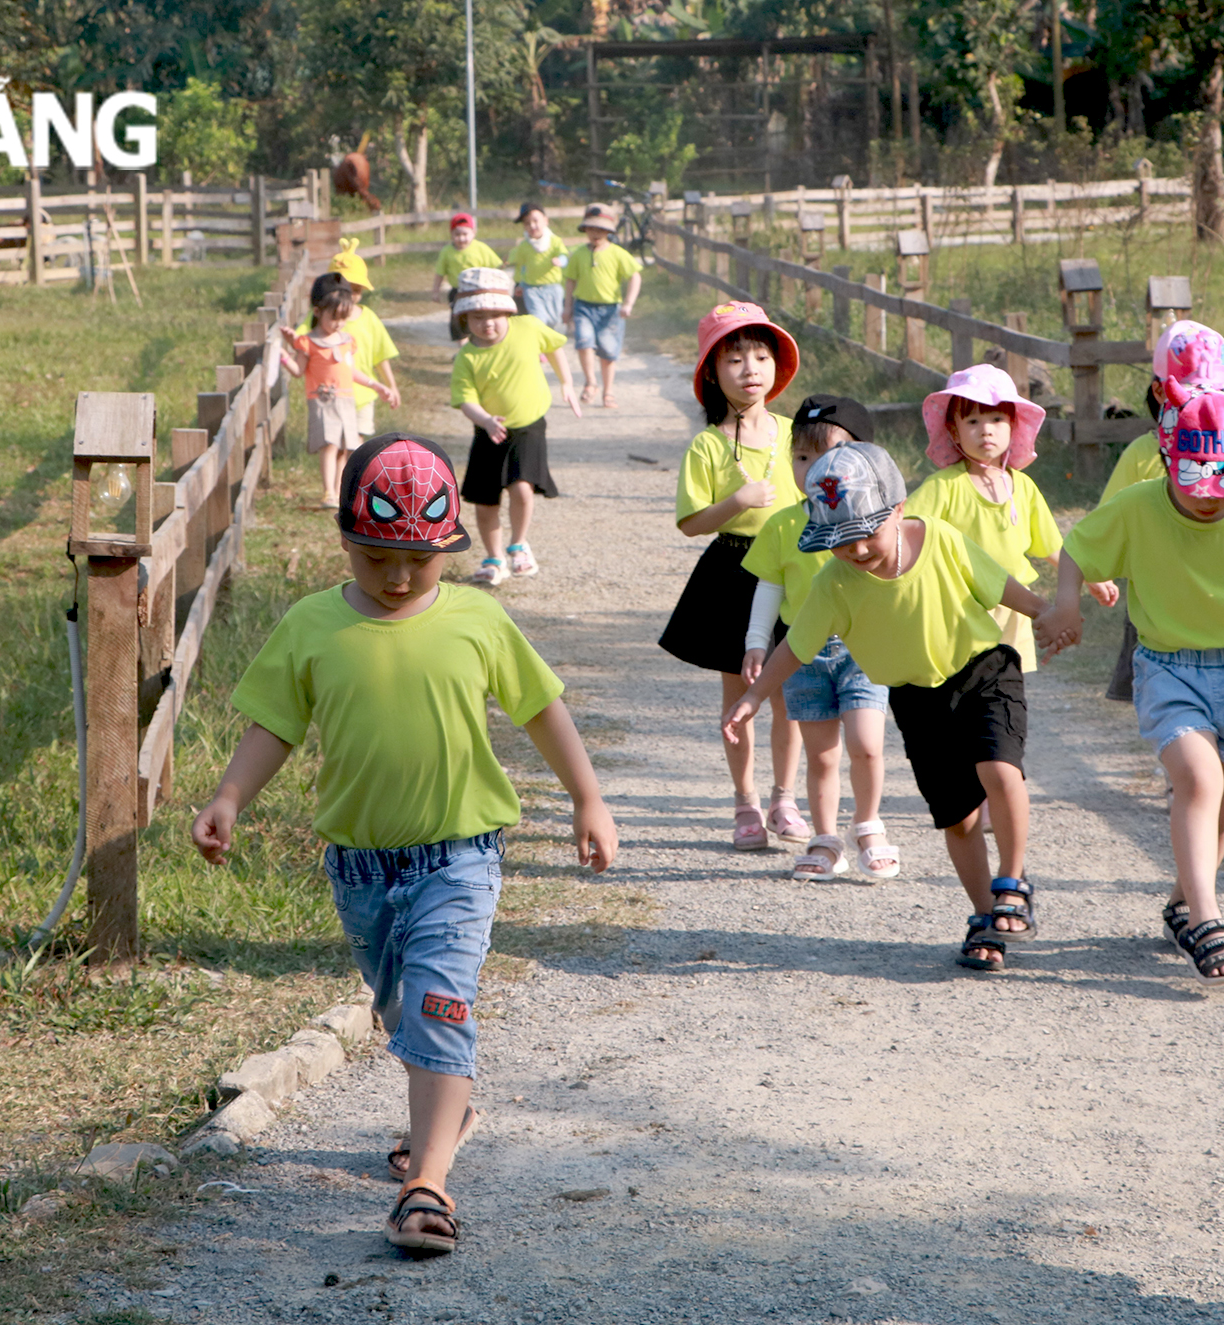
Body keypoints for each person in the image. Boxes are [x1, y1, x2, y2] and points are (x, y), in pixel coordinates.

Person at [191, 434, 618, 1258]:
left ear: (448, 549)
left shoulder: (477, 618)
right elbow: (274, 725)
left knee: (437, 1001)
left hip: (458, 856)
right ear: (346, 541)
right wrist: (228, 796)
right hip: (359, 867)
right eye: (377, 557)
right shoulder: (312, 623)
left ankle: (428, 1185)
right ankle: (445, 1111)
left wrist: (588, 798)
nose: (396, 578)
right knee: (400, 1008)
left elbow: (542, 711)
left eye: (417, 563)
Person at [1037, 376, 1224, 987]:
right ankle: (1210, 921)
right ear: (1167, 459)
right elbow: (1078, 550)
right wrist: (1066, 604)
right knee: (1199, 779)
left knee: (1221, 802)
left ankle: (1183, 905)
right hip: (1169, 667)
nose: (1210, 499)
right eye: (1195, 481)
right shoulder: (1139, 505)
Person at [729, 441, 1051, 970]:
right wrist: (754, 696)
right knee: (960, 818)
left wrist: (1046, 614)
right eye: (839, 541)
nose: (855, 551)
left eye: (865, 533)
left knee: (1000, 769)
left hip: (983, 670)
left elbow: (1001, 584)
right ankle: (984, 916)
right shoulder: (834, 582)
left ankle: (1012, 883)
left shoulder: (941, 538)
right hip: (916, 699)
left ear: (898, 510)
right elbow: (797, 645)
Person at [659, 301, 810, 851]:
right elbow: (691, 523)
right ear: (712, 373)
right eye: (735, 359)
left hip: (792, 574)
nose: (750, 368)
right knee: (740, 695)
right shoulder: (708, 444)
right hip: (732, 572)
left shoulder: (798, 434)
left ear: (777, 367)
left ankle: (785, 799)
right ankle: (745, 803)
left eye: (761, 356)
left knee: (791, 696)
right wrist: (736, 500)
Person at [740, 395, 897, 883]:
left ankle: (868, 825)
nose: (812, 470)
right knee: (822, 755)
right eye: (802, 458)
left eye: (826, 458)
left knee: (867, 745)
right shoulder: (785, 524)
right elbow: (771, 585)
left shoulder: (878, 520)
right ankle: (826, 838)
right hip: (802, 654)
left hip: (863, 649)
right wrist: (756, 642)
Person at [1097, 320, 1224, 702]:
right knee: (1156, 695)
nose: (1200, 403)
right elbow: (1107, 521)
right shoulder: (1142, 453)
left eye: (1213, 393)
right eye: (1189, 392)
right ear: (1159, 390)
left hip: (1219, 597)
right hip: (1154, 604)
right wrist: (1096, 572)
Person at [905, 363, 1063, 673]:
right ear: (954, 430)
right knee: (965, 683)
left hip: (1014, 607)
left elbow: (1050, 545)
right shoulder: (944, 486)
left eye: (996, 419)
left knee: (1008, 683)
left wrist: (1090, 577)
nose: (986, 429)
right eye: (973, 421)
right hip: (961, 608)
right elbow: (905, 532)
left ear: (1013, 425)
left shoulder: (1024, 487)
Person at [448, 267, 582, 586]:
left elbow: (554, 346)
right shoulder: (467, 356)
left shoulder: (529, 327)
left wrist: (567, 383)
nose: (488, 323)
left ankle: (518, 545)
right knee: (485, 501)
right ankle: (494, 558)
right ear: (465, 319)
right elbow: (465, 398)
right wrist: (484, 419)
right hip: (489, 431)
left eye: (495, 314)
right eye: (478, 316)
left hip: (529, 426)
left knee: (522, 487)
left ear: (508, 310)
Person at [279, 280, 397, 509]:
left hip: (346, 400)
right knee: (329, 444)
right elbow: (298, 371)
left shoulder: (345, 341)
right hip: (322, 401)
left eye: (343, 318)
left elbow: (350, 371)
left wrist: (376, 385)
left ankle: (339, 490)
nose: (338, 324)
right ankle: (328, 492)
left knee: (345, 446)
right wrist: (283, 355)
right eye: (333, 318)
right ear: (317, 312)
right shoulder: (308, 342)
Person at [293, 252, 402, 442]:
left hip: (363, 396)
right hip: (331, 397)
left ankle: (351, 472)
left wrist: (391, 385)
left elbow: (380, 356)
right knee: (336, 444)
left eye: (356, 290)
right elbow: (300, 339)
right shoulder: (318, 320)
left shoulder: (368, 318)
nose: (350, 296)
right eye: (345, 290)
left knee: (355, 443)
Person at [562, 203, 643, 408]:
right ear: (585, 230)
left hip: (610, 311)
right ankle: (591, 382)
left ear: (609, 231)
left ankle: (608, 391)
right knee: (584, 342)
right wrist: (568, 307)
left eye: (600, 229)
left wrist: (628, 303)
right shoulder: (579, 254)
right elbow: (570, 280)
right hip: (583, 307)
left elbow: (634, 276)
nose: (595, 233)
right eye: (591, 228)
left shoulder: (617, 253)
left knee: (608, 353)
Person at [505, 202, 569, 331]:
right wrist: (520, 284)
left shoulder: (555, 241)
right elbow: (521, 267)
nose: (532, 226)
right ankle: (540, 349)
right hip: (532, 289)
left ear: (546, 220)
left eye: (535, 221)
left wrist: (560, 261)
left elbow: (564, 255)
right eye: (527, 223)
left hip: (552, 288)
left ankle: (551, 345)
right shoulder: (524, 246)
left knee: (554, 321)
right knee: (538, 319)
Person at [433, 213, 501, 296]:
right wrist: (435, 291)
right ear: (451, 234)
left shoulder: (481, 248)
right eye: (457, 234)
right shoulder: (446, 251)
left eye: (465, 234)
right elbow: (440, 273)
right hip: (457, 291)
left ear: (473, 233)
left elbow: (497, 267)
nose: (461, 238)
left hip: (478, 291)